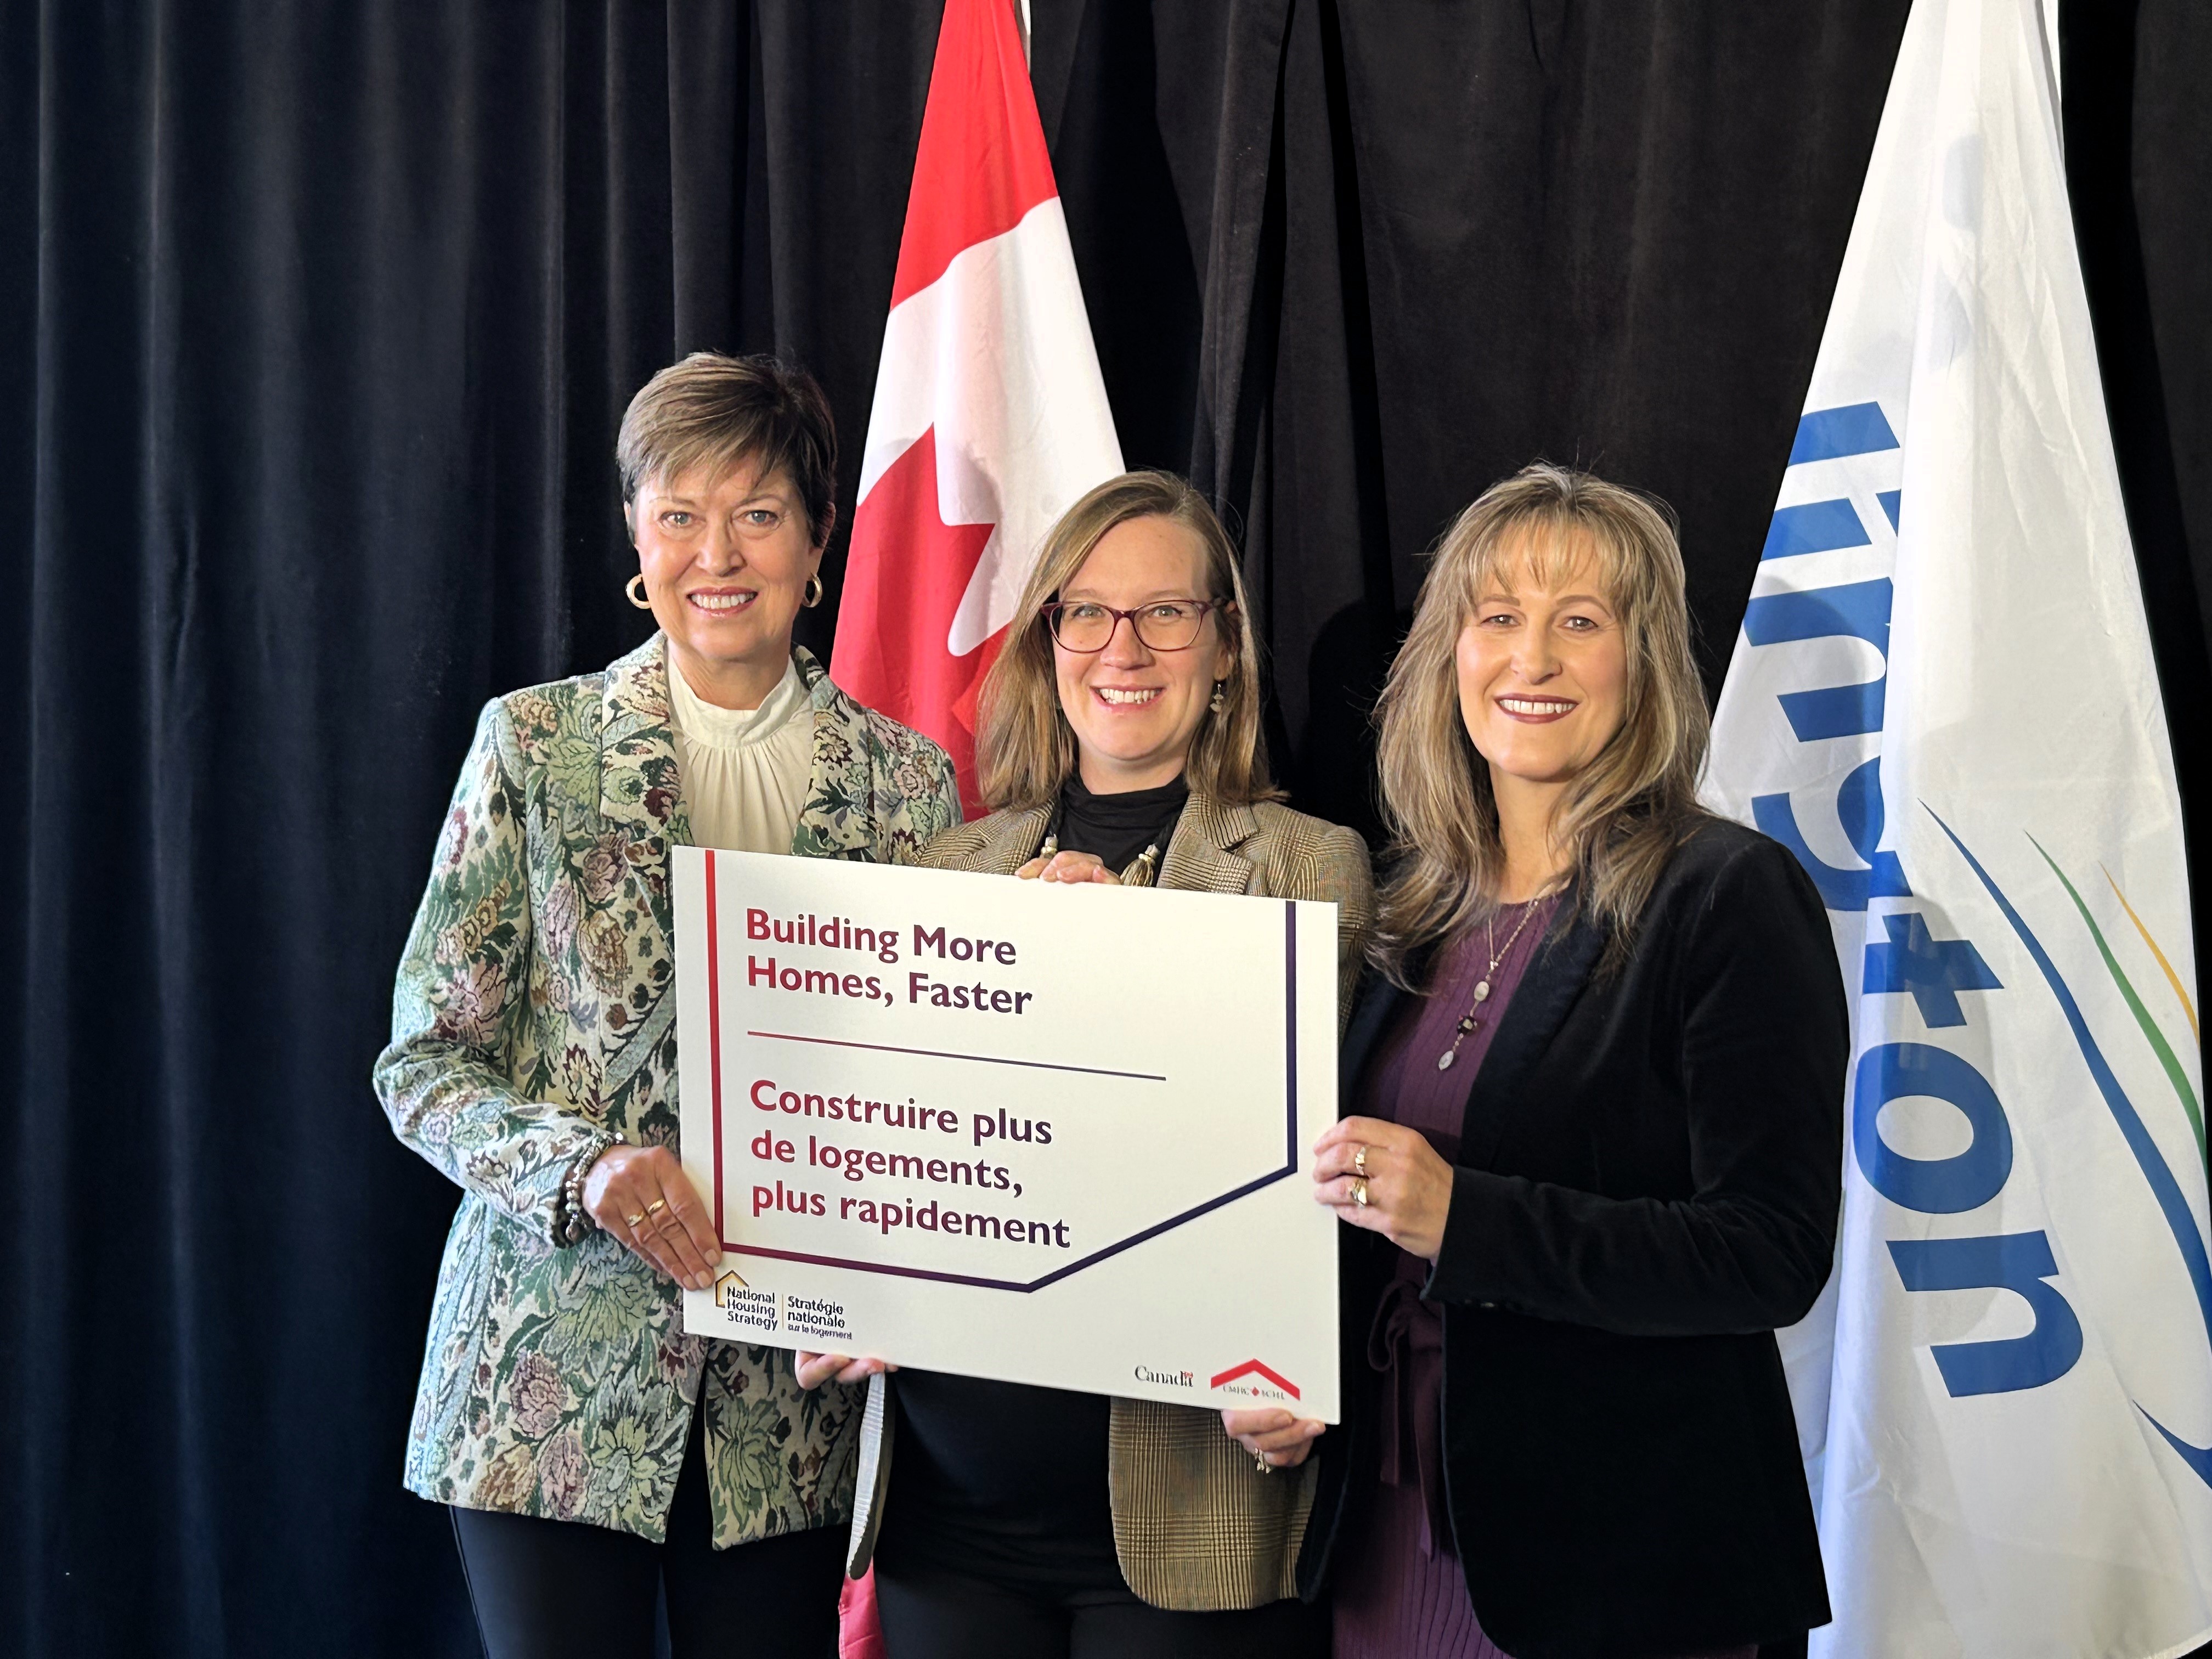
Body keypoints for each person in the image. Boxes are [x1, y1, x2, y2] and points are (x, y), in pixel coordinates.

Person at [373, 352, 961, 1659]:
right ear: (637, 532)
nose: (718, 552)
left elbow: (933, 1087)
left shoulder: (909, 785)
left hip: (792, 1400)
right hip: (546, 1374)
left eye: (757, 513)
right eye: (679, 512)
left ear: (818, 538)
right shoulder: (533, 743)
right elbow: (422, 1066)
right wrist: (586, 1169)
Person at [802, 470, 1374, 1657]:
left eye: (1167, 612)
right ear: (1048, 639)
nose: (1126, 646)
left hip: (1185, 1517)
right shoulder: (951, 869)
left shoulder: (1310, 868)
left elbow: (1295, 1159)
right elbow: (909, 1157)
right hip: (947, 1526)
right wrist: (844, 1285)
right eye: (1088, 612)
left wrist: (1115, 950)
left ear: (1224, 647)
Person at [1284, 462, 1846, 1658]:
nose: (1529, 657)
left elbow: (1770, 1254)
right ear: (1450, 655)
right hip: (1387, 1536)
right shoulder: (1408, 913)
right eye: (1498, 619)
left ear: (1640, 666)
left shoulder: (1727, 896)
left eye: (1579, 622)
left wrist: (1468, 1219)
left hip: (1618, 1562)